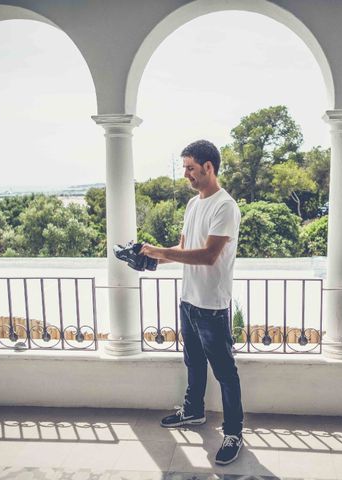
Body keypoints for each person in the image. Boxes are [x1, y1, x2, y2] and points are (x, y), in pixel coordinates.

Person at [140, 139, 243, 466]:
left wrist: (161, 252)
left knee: (225, 372)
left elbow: (209, 256)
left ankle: (233, 432)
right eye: (185, 168)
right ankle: (194, 412)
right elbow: (185, 249)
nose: (185, 174)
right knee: (193, 363)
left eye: (190, 168)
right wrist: (151, 257)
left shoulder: (225, 206)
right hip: (188, 300)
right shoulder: (192, 204)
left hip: (212, 305)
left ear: (208, 167)